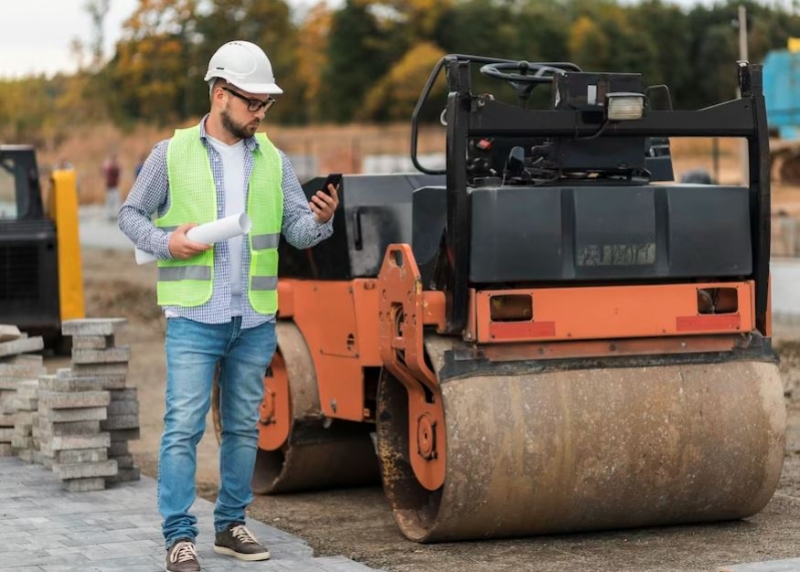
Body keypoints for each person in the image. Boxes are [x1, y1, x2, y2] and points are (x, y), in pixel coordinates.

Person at [118, 40, 339, 572]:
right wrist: (171, 243)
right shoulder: (169, 154)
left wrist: (323, 219)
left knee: (243, 426)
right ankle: (178, 536)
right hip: (194, 316)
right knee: (183, 427)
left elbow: (297, 233)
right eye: (253, 103)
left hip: (254, 317)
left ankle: (231, 524)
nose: (261, 113)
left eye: (267, 105)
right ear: (221, 95)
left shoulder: (275, 161)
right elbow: (130, 217)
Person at [101, 153, 121, 220]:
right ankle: (109, 214)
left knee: (117, 201)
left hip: (115, 187)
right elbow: (103, 172)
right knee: (110, 202)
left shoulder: (115, 166)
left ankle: (117, 214)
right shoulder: (108, 166)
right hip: (109, 187)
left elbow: (118, 173)